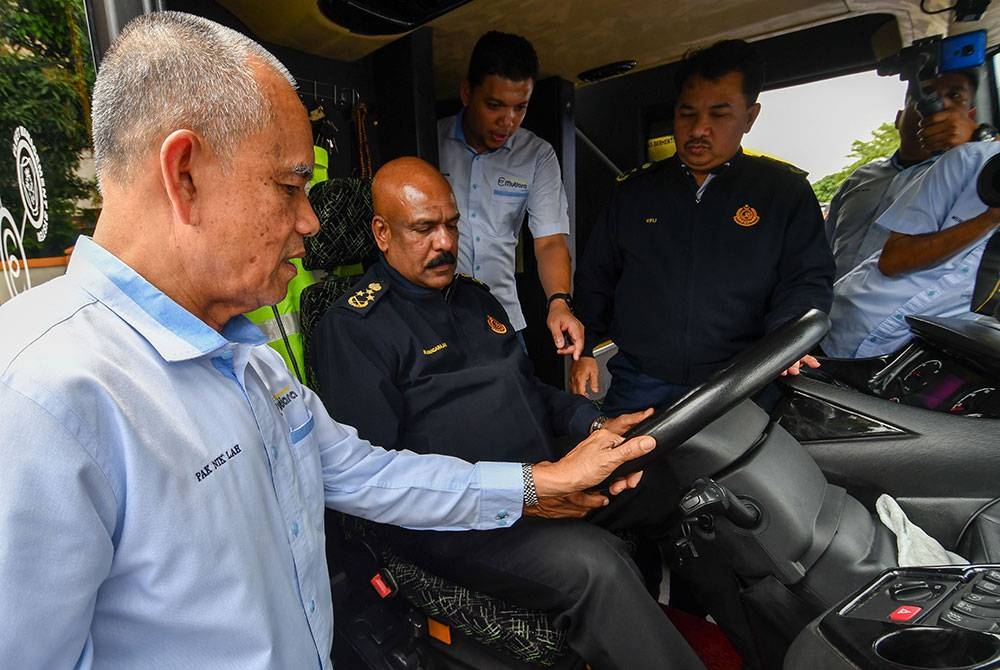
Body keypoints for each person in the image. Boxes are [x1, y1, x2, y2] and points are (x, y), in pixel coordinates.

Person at [0, 13, 656, 670]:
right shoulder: (41, 398)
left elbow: (371, 473)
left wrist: (536, 484)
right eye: (290, 186)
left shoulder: (250, 364)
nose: (311, 221)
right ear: (186, 174)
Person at [311, 155, 706, 670]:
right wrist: (527, 492)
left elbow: (534, 392)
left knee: (667, 480)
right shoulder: (354, 327)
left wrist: (594, 425)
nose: (446, 243)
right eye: (424, 229)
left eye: (451, 224)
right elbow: (381, 479)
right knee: (596, 566)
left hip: (546, 472)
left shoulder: (478, 302)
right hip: (457, 519)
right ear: (382, 233)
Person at [571, 39, 834, 413]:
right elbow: (596, 277)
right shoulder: (633, 193)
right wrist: (585, 350)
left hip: (743, 383)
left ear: (750, 116)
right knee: (624, 470)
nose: (699, 129)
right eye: (687, 113)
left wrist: (788, 340)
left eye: (719, 114)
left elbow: (807, 280)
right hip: (640, 380)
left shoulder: (784, 192)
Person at [438, 31, 584, 357]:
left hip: (501, 315)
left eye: (520, 107)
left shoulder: (537, 155)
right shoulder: (430, 142)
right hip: (436, 317)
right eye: (495, 105)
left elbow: (550, 241)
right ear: (466, 93)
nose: (508, 121)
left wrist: (560, 302)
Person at [822, 139, 1000, 358]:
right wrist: (988, 220)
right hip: (844, 326)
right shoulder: (967, 160)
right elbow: (893, 260)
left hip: (912, 359)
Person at [825, 70, 993, 280]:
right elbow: (824, 247)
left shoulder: (978, 182)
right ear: (898, 118)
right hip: (834, 304)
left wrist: (980, 139)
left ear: (970, 116)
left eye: (954, 96)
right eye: (925, 95)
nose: (938, 107)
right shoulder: (860, 178)